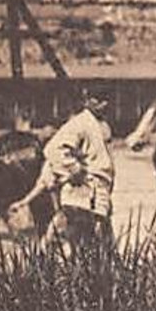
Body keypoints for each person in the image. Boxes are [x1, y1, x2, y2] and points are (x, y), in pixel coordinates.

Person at [40, 90, 116, 252]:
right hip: (84, 192)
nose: (104, 104)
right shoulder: (80, 123)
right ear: (88, 100)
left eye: (106, 100)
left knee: (103, 246)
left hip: (99, 192)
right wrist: (74, 169)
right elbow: (53, 148)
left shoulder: (100, 125)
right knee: (83, 246)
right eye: (98, 100)